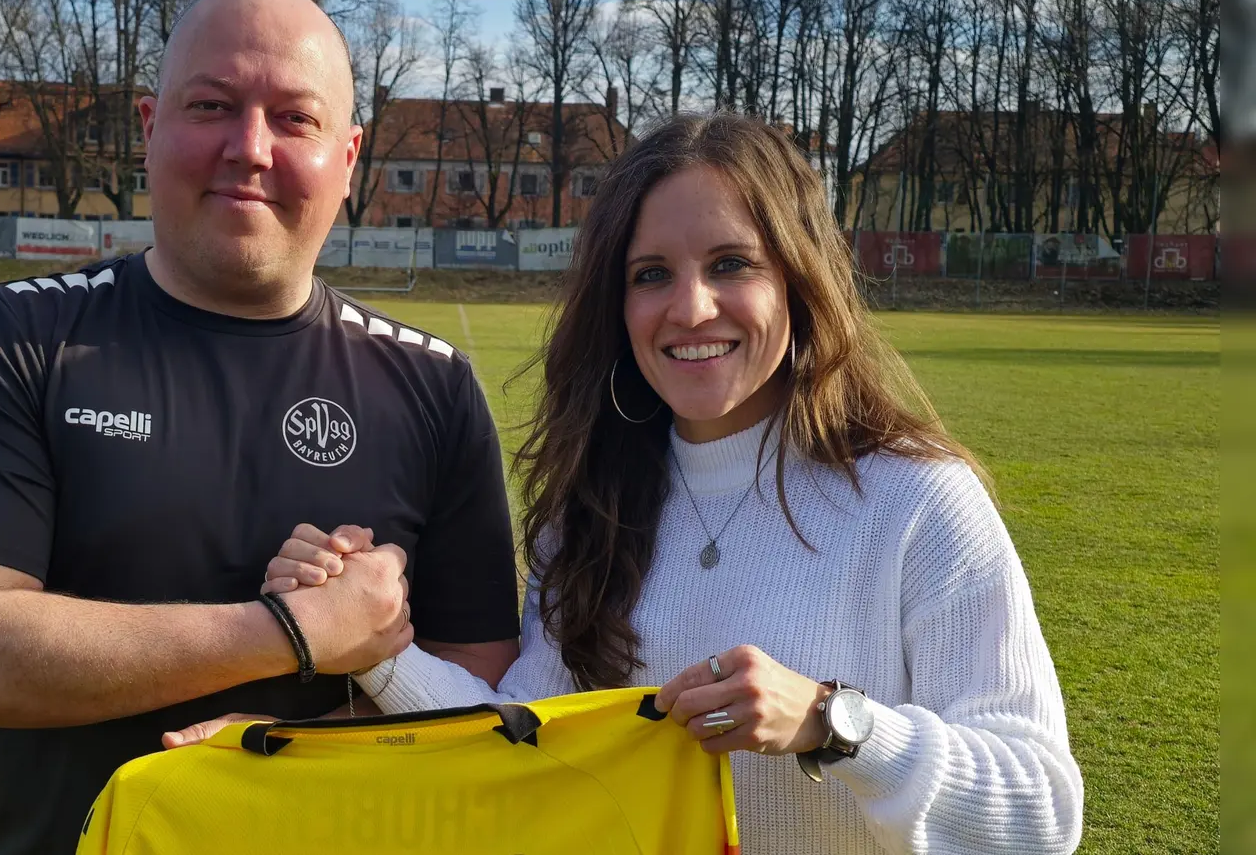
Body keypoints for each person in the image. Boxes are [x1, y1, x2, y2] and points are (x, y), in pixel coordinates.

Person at [251, 111, 1085, 854]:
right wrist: (374, 643)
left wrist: (832, 722)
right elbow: (524, 745)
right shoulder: (590, 517)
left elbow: (1042, 813)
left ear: (798, 280)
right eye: (651, 274)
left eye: (731, 264)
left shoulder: (921, 504)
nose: (689, 308)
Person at [0, 0, 519, 855]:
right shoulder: (17, 336)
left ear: (349, 157)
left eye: (295, 119)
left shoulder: (434, 386)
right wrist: (293, 633)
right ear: (150, 126)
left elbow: (477, 675)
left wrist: (296, 738)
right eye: (213, 105)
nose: (249, 148)